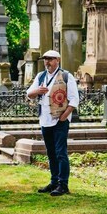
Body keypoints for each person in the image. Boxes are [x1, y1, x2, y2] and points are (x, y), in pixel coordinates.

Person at [26, 49, 79, 196]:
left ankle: (63, 184)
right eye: (45, 59)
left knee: (60, 152)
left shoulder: (67, 76)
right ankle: (54, 181)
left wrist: (64, 116)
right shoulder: (41, 76)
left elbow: (74, 100)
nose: (47, 62)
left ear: (58, 60)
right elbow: (29, 94)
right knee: (51, 153)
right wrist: (37, 91)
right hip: (45, 119)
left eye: (50, 59)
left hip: (60, 121)